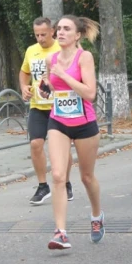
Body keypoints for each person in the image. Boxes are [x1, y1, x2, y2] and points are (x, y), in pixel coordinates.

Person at [40, 15, 104, 250]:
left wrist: (64, 75)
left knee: (86, 177)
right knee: (58, 175)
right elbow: (50, 85)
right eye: (59, 29)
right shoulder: (51, 59)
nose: (61, 32)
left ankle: (97, 216)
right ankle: (60, 233)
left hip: (85, 123)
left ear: (77, 35)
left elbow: (90, 93)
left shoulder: (84, 57)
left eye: (67, 29)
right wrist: (44, 88)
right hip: (59, 122)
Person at [19, 17, 73, 205]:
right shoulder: (31, 51)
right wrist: (24, 87)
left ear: (52, 31)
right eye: (36, 35)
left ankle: (65, 182)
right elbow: (24, 71)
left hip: (59, 106)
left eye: (43, 34)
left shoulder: (62, 48)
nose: (40, 38)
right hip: (38, 105)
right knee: (35, 144)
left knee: (62, 148)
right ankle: (43, 186)